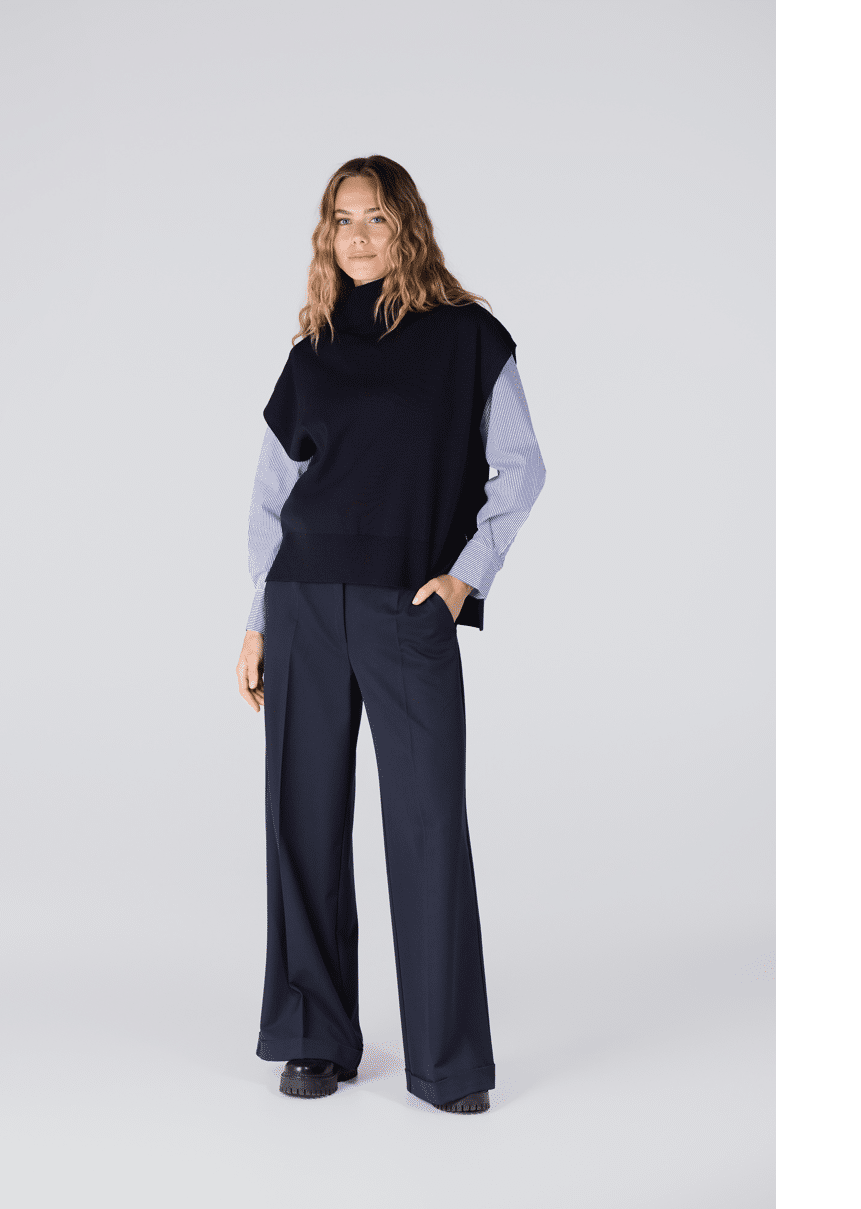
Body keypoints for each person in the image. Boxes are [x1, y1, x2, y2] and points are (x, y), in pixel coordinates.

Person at [235, 156, 546, 1113]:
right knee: (302, 822)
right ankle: (313, 1035)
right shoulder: (314, 349)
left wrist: (464, 579)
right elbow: (271, 497)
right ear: (325, 234)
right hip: (301, 602)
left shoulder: (468, 338)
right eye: (341, 220)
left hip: (407, 609)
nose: (358, 236)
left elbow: (521, 468)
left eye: (375, 217)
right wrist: (256, 620)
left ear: (406, 223)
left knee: (426, 826)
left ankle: (447, 1063)